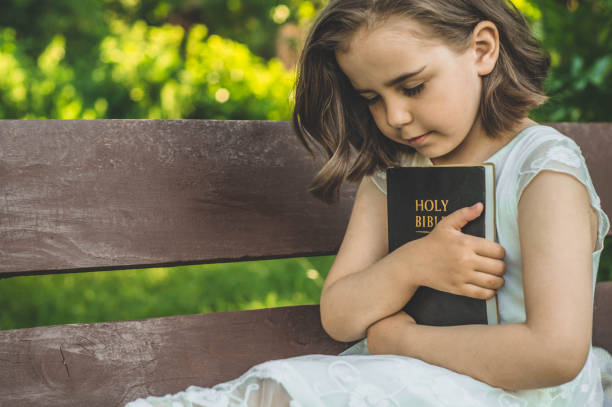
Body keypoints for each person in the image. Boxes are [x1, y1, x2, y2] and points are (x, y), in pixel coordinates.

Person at [125, 0, 612, 405]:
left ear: (481, 50)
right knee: (284, 389)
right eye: (371, 97)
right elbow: (339, 314)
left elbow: (555, 354)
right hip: (418, 380)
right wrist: (410, 265)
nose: (395, 117)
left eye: (412, 86)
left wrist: (403, 341)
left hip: (522, 394)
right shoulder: (397, 174)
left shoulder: (542, 170)